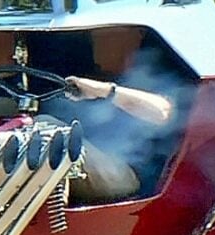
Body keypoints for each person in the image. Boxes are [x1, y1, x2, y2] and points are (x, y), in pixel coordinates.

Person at [41, 25, 190, 203]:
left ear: (135, 36)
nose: (100, 41)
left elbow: (162, 112)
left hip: (126, 175)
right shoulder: (94, 74)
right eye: (96, 35)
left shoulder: (160, 78)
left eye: (107, 33)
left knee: (46, 128)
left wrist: (103, 91)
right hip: (93, 158)